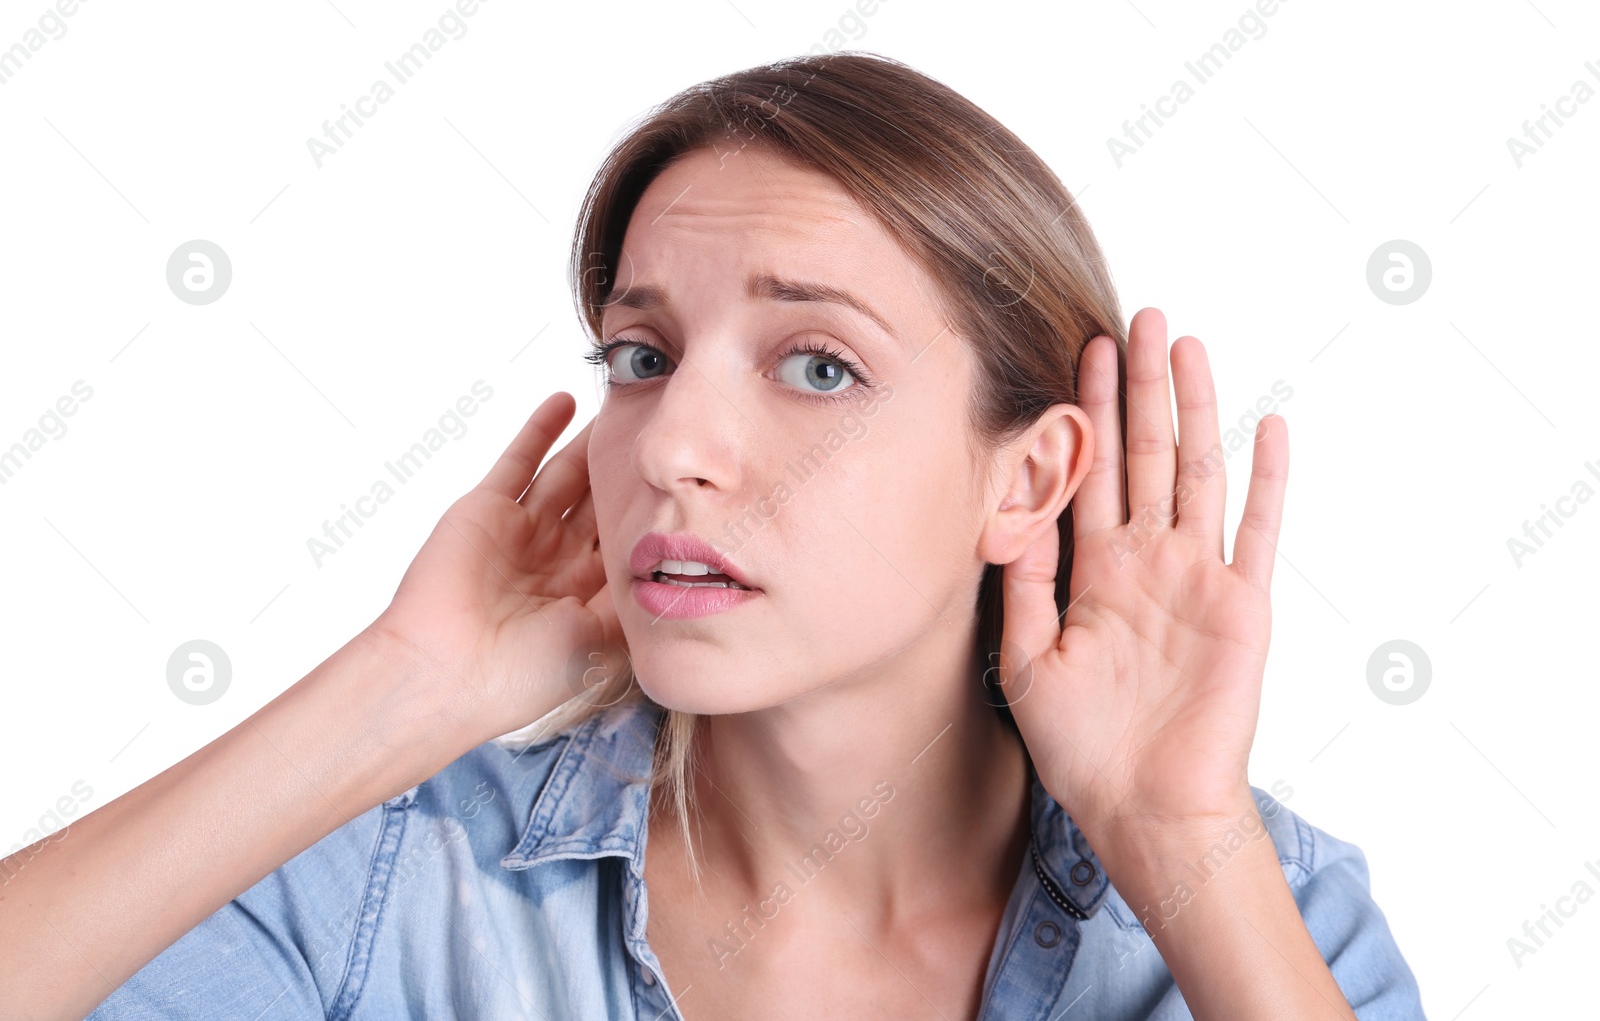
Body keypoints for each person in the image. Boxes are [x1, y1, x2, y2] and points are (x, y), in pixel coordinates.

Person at [0, 51, 1425, 1020]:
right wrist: (401, 689)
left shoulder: (1259, 904)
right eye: (640, 356)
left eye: (818, 367)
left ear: (1028, 479)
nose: (673, 444)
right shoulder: (397, 886)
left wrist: (1180, 843)